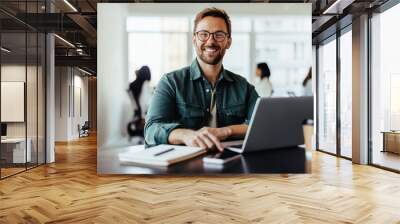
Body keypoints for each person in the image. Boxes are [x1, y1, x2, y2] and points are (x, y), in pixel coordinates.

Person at [145, 7, 259, 151]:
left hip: (231, 162)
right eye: (203, 34)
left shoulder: (244, 86)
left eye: (219, 35)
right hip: (183, 167)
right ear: (194, 39)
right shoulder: (171, 82)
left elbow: (261, 125)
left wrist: (225, 131)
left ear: (228, 42)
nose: (211, 41)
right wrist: (186, 135)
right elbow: (151, 129)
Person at [127, 65, 153, 138]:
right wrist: (143, 117)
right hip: (142, 120)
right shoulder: (144, 84)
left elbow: (136, 105)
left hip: (135, 120)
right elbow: (143, 103)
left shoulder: (132, 85)